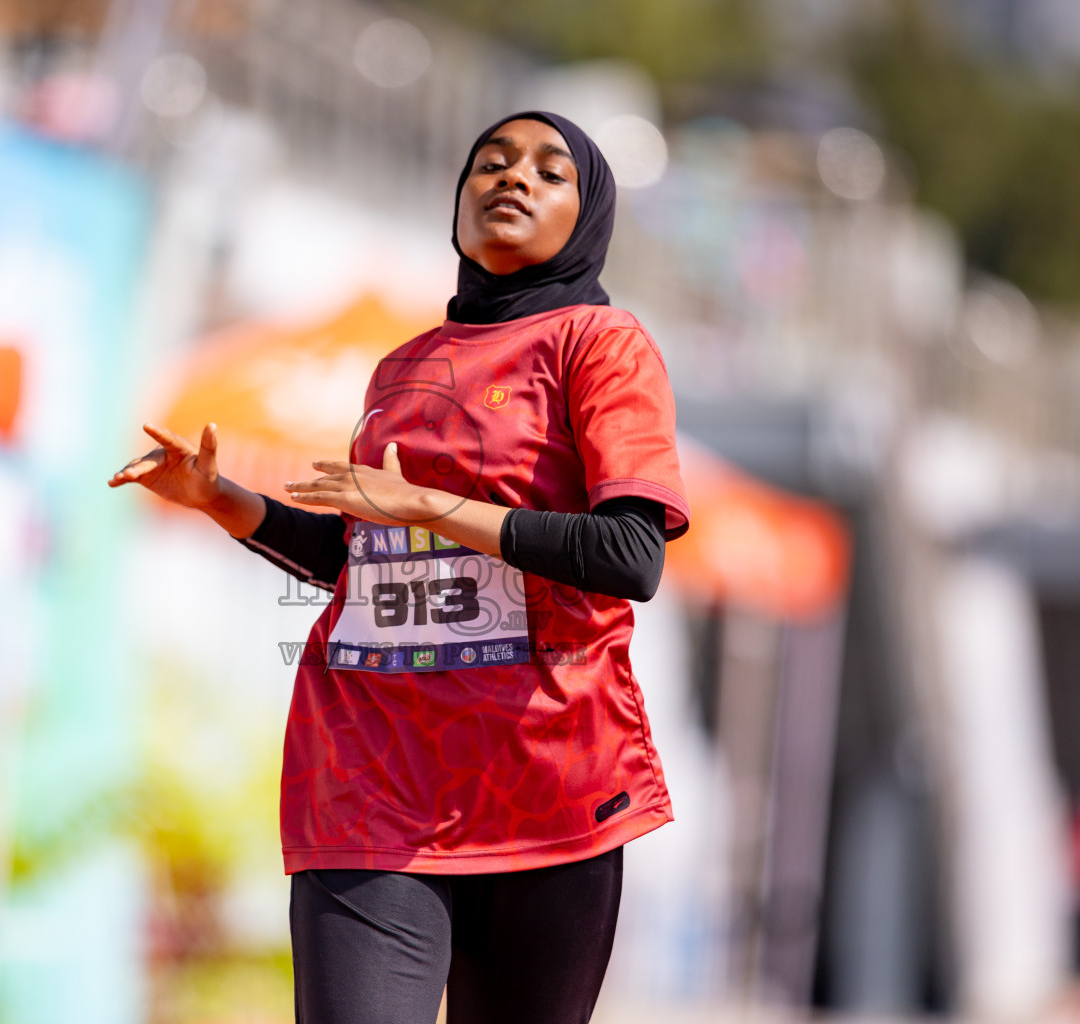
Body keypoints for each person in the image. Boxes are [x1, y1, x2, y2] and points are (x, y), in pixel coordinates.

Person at [110, 111, 690, 1024]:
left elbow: (630, 555)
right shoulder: (399, 368)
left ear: (589, 217)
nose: (511, 180)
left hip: (547, 786)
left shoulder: (600, 345)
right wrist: (219, 499)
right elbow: (367, 562)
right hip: (370, 780)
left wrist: (433, 507)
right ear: (456, 203)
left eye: (548, 172)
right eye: (490, 165)